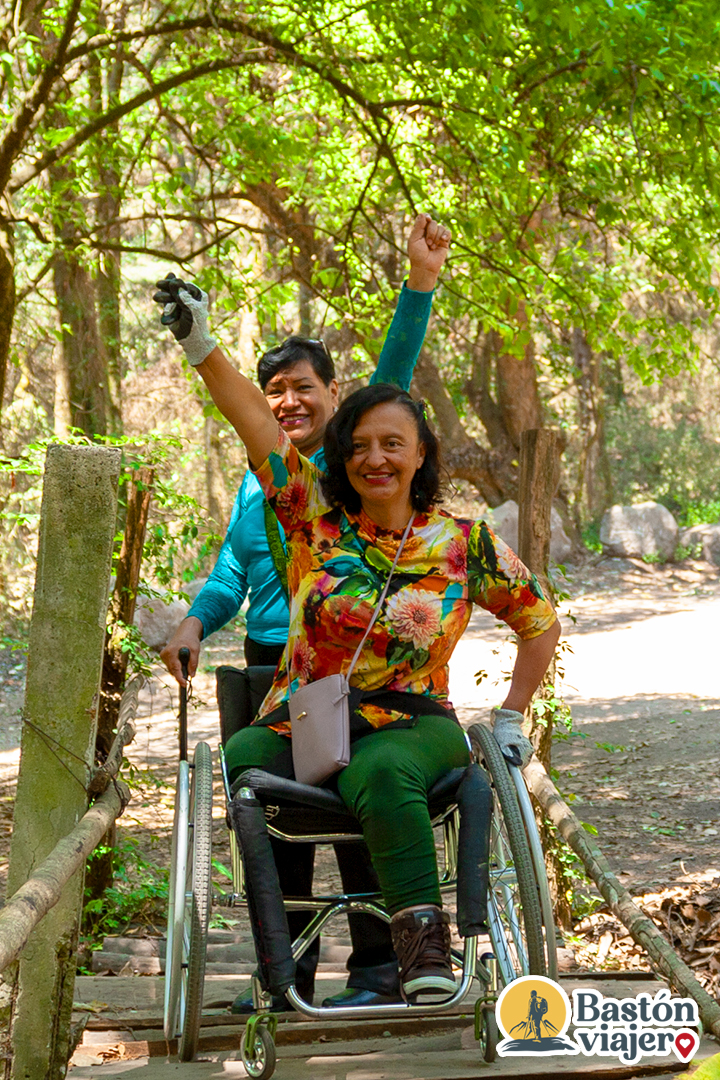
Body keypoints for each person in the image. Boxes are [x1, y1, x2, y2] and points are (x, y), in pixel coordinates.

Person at [153, 277, 560, 1003]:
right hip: (312, 714)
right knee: (246, 755)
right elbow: (255, 423)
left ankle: (420, 949)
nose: (376, 458)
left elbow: (539, 622)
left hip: (415, 721)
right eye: (361, 446)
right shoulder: (311, 514)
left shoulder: (462, 542)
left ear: (420, 452)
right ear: (341, 458)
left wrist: (509, 715)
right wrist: (200, 342)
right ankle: (282, 967)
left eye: (392, 445)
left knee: (379, 772)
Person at [158, 215, 452, 1012]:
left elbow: (394, 371)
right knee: (276, 822)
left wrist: (418, 284)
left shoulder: (348, 468)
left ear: (335, 399)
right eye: (275, 391)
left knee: (365, 807)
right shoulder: (266, 485)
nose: (288, 402)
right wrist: (191, 620)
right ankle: (281, 976)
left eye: (304, 389)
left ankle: (378, 969)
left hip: (369, 674)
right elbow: (233, 570)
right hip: (277, 667)